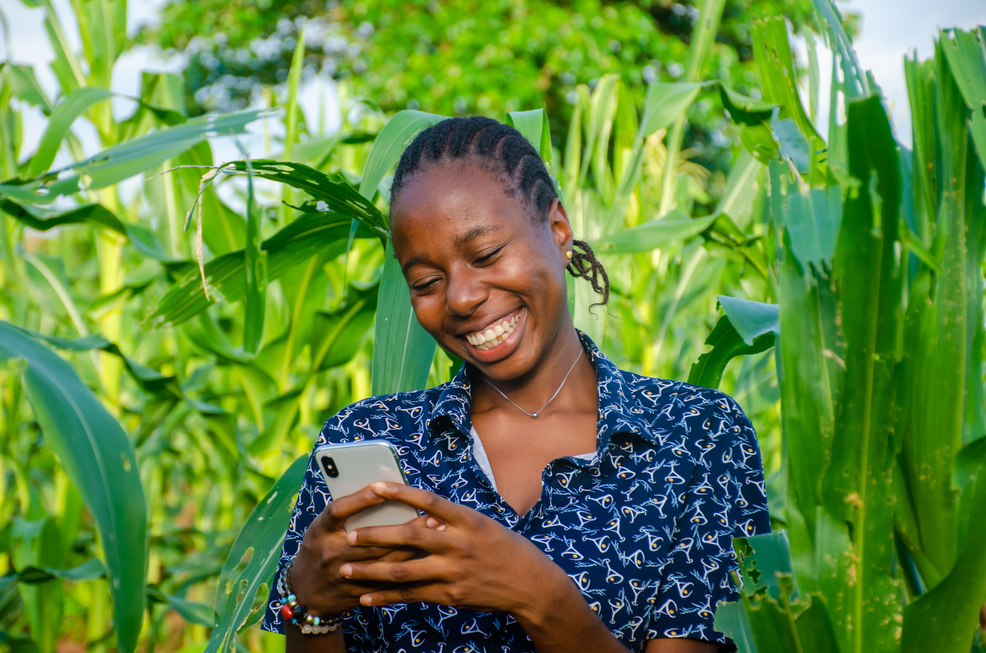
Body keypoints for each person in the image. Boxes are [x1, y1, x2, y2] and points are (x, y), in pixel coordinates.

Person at [261, 116, 770, 652]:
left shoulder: (696, 434)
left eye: (486, 256)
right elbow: (313, 624)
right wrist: (311, 606)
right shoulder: (369, 439)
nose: (460, 297)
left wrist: (534, 593)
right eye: (427, 282)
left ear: (557, 229)